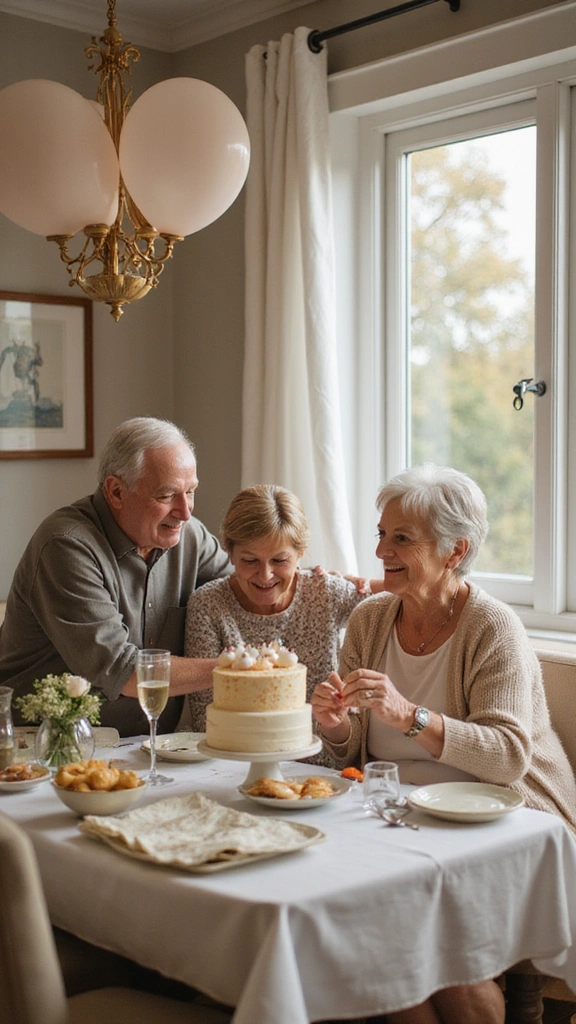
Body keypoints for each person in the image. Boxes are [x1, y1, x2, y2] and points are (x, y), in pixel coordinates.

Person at [311, 463, 576, 1024]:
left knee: (436, 962)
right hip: (394, 817)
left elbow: (507, 757)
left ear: (456, 550)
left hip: (504, 821)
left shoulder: (492, 626)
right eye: (381, 533)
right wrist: (335, 724)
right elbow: (354, 748)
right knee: (384, 960)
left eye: (402, 537)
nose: (383, 549)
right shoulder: (370, 619)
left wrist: (409, 715)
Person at [0, 417, 232, 736]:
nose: (185, 512)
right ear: (116, 492)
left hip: (147, 747)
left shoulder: (190, 536)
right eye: (166, 496)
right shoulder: (66, 546)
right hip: (47, 747)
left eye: (190, 491)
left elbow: (245, 589)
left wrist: (305, 580)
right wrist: (235, 668)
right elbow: (123, 672)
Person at [182, 483, 384, 733]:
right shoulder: (208, 604)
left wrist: (367, 583)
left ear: (300, 553)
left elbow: (410, 594)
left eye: (280, 560)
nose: (265, 575)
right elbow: (207, 719)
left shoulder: (326, 593)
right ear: (230, 553)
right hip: (236, 759)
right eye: (250, 560)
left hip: (320, 760)